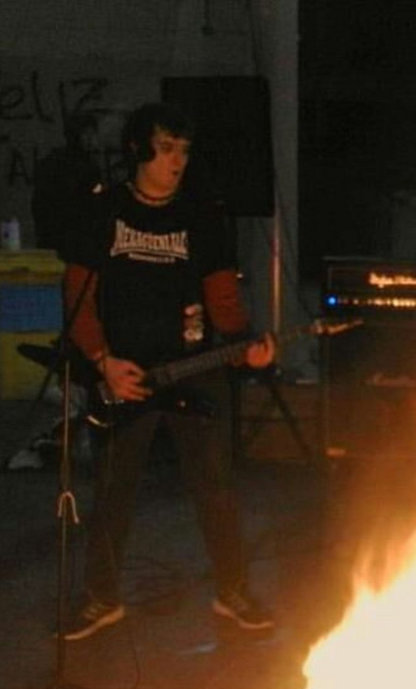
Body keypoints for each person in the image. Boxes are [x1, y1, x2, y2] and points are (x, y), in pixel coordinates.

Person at [62, 102, 276, 640]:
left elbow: (222, 298)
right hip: (124, 373)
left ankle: (232, 591)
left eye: (183, 150)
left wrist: (245, 347)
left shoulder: (202, 216)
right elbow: (77, 295)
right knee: (113, 489)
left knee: (215, 484)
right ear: (138, 149)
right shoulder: (104, 211)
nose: (176, 160)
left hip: (192, 368)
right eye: (165, 149)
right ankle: (101, 598)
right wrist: (102, 361)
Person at [32, 112, 105, 262]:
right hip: (76, 240)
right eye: (86, 134)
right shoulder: (86, 167)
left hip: (55, 239)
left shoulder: (52, 162)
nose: (91, 138)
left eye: (92, 133)